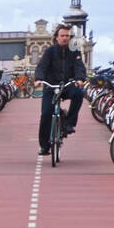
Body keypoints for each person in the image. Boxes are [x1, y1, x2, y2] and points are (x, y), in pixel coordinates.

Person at [34, 23, 86, 155]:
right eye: (62, 35)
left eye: (67, 36)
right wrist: (38, 79)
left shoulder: (74, 52)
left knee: (79, 94)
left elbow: (79, 67)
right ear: (57, 37)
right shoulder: (50, 52)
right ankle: (44, 146)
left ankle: (69, 123)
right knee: (46, 114)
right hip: (51, 87)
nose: (65, 38)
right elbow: (41, 67)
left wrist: (80, 79)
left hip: (67, 85)